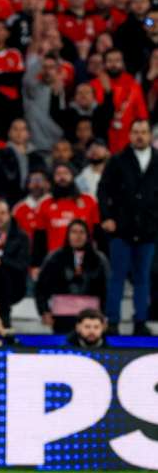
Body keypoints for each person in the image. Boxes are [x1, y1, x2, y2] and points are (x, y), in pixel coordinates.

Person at [97, 119, 158, 335]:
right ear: (130, 135)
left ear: (150, 135)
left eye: (143, 132)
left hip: (148, 230)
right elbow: (103, 190)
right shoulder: (118, 160)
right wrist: (107, 217)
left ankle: (140, 321)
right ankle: (112, 321)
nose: (140, 136)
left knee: (143, 277)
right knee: (118, 276)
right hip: (121, 229)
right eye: (136, 132)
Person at [35, 219, 109, 335]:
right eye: (74, 232)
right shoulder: (54, 257)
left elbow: (106, 289)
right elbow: (41, 287)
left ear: (87, 236)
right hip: (61, 314)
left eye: (81, 232)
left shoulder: (99, 259)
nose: (78, 236)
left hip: (91, 316)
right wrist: (44, 311)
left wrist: (105, 315)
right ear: (68, 235)